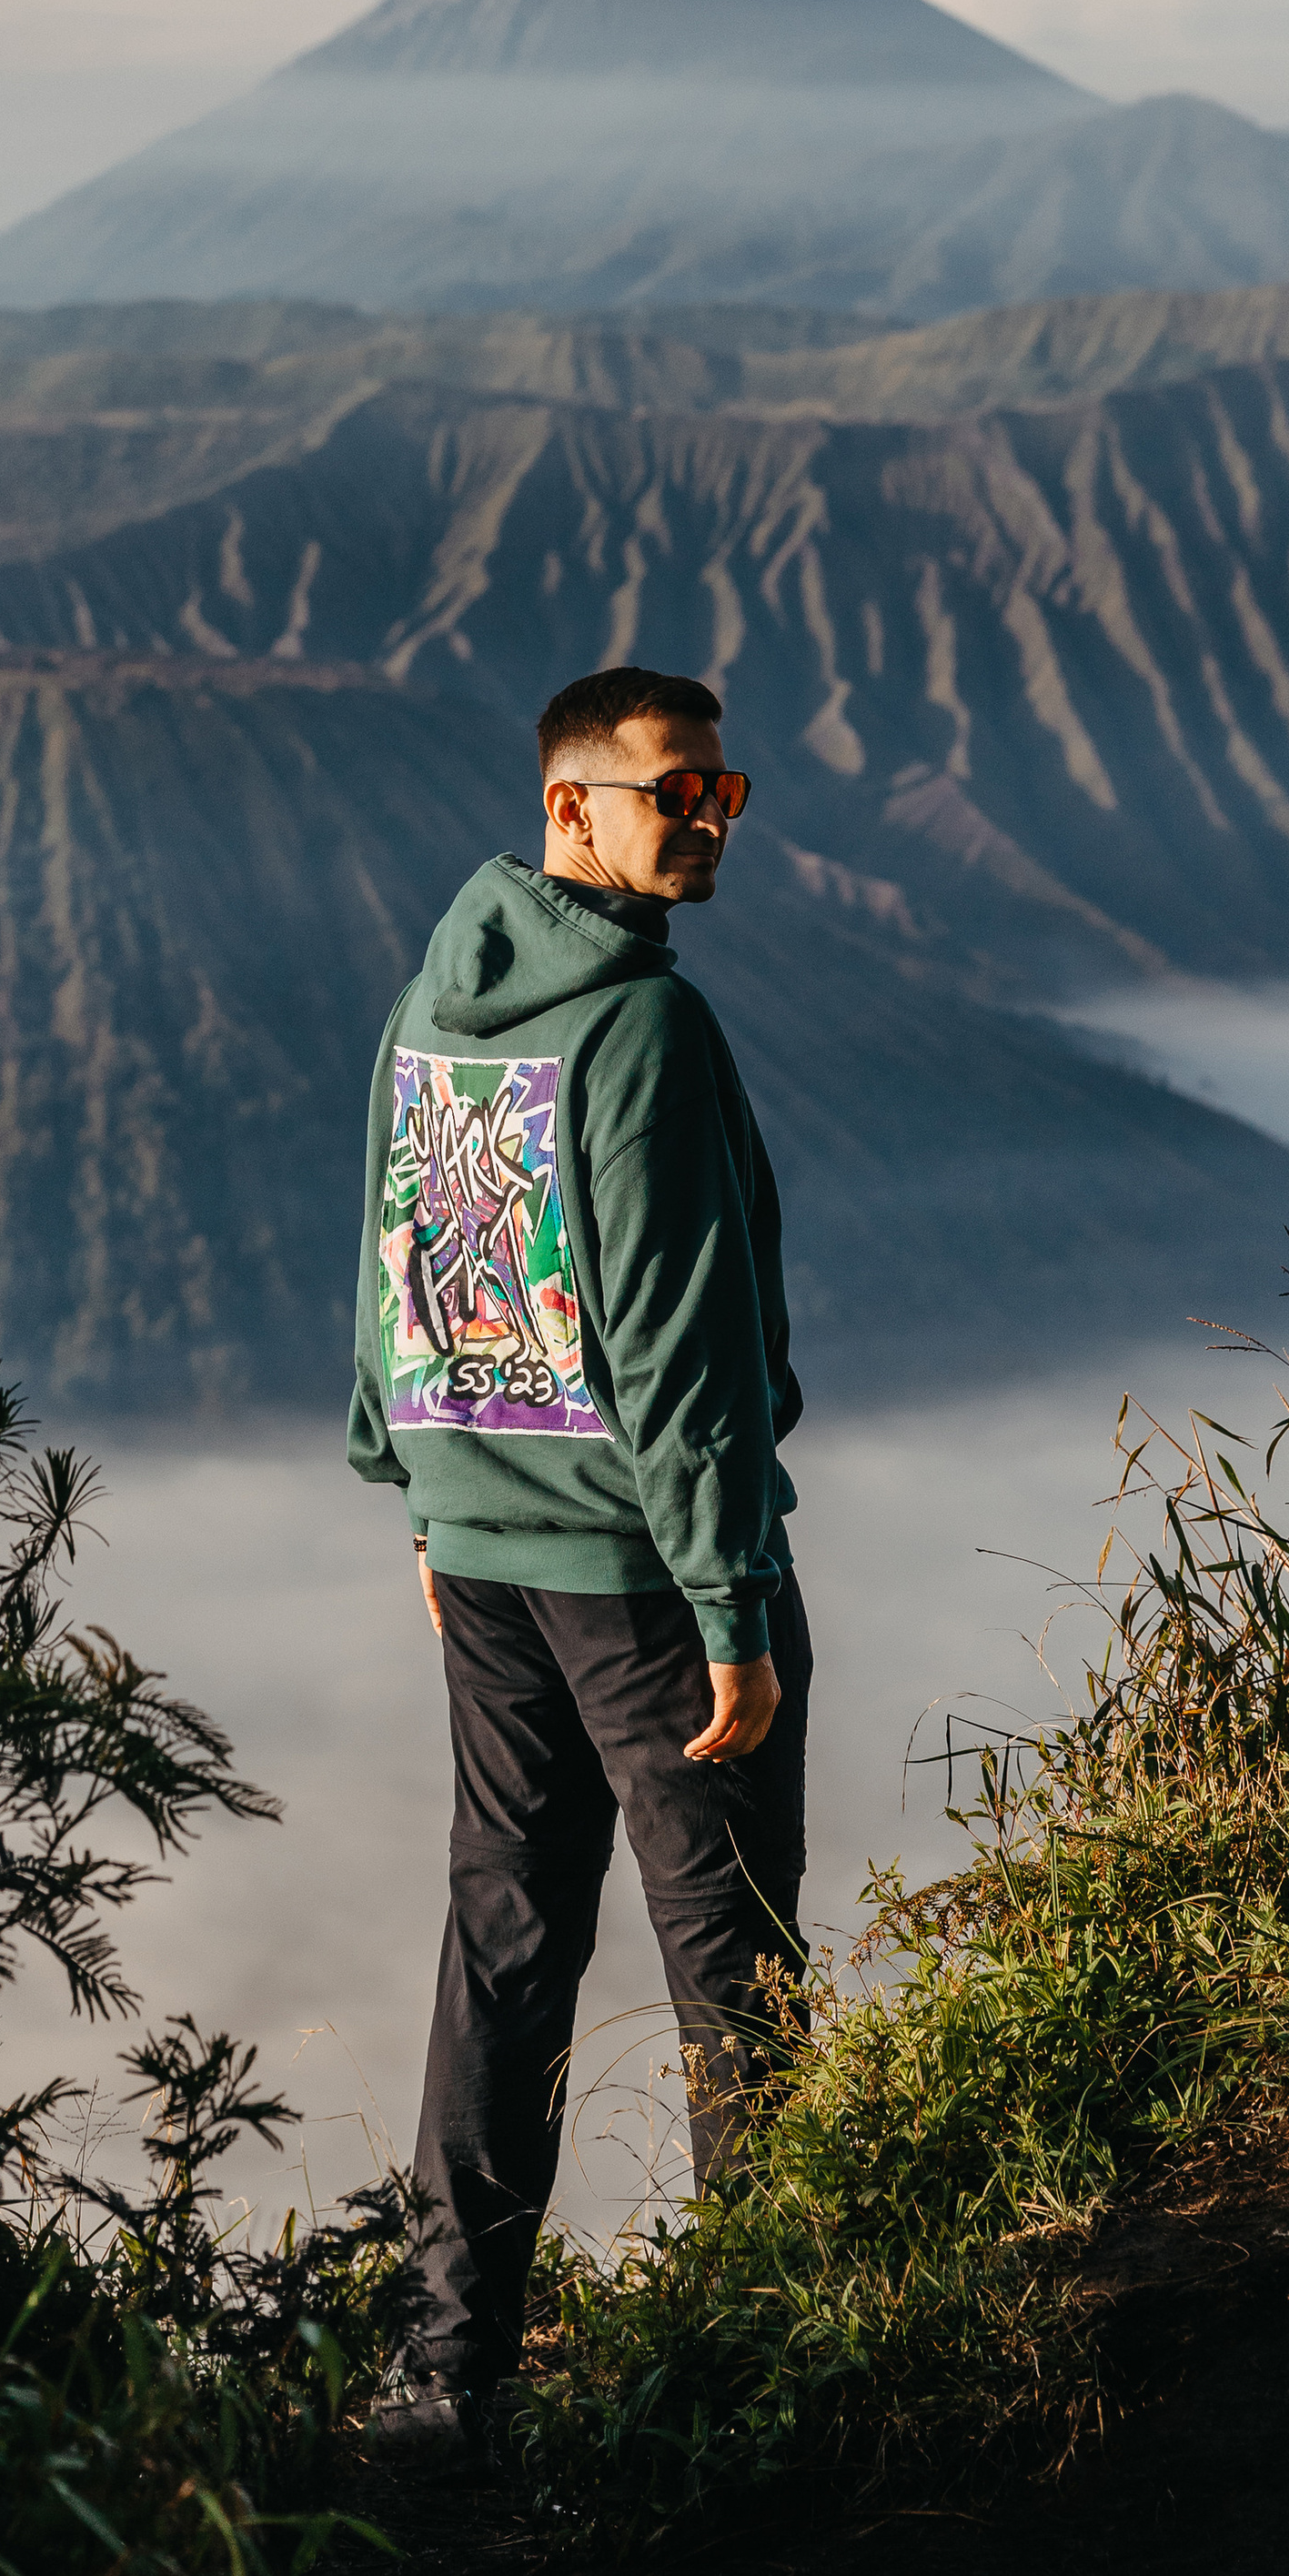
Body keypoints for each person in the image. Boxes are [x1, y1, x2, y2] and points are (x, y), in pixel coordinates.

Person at [347, 662, 811, 2467]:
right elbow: (685, 1356)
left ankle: (440, 2378)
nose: (707, 820)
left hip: (479, 1553)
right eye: (673, 792)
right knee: (731, 1962)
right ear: (571, 810)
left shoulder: (426, 1009)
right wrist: (733, 1604)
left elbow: (389, 1259)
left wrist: (420, 1497)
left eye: (721, 791)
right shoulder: (643, 1033)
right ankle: (762, 2366)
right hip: (639, 1571)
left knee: (503, 1944)